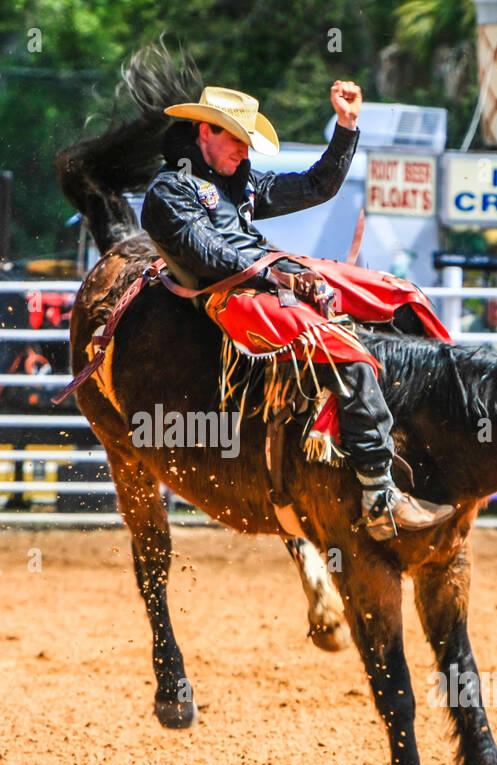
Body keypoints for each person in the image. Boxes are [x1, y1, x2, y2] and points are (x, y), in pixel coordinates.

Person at [140, 82, 454, 538]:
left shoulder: (240, 181)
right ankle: (377, 492)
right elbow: (209, 256)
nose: (245, 151)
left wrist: (347, 127)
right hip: (233, 297)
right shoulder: (169, 192)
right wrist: (282, 278)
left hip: (278, 275)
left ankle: (441, 426)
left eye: (248, 142)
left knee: (399, 296)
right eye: (236, 139)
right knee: (345, 351)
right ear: (204, 131)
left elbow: (315, 185)